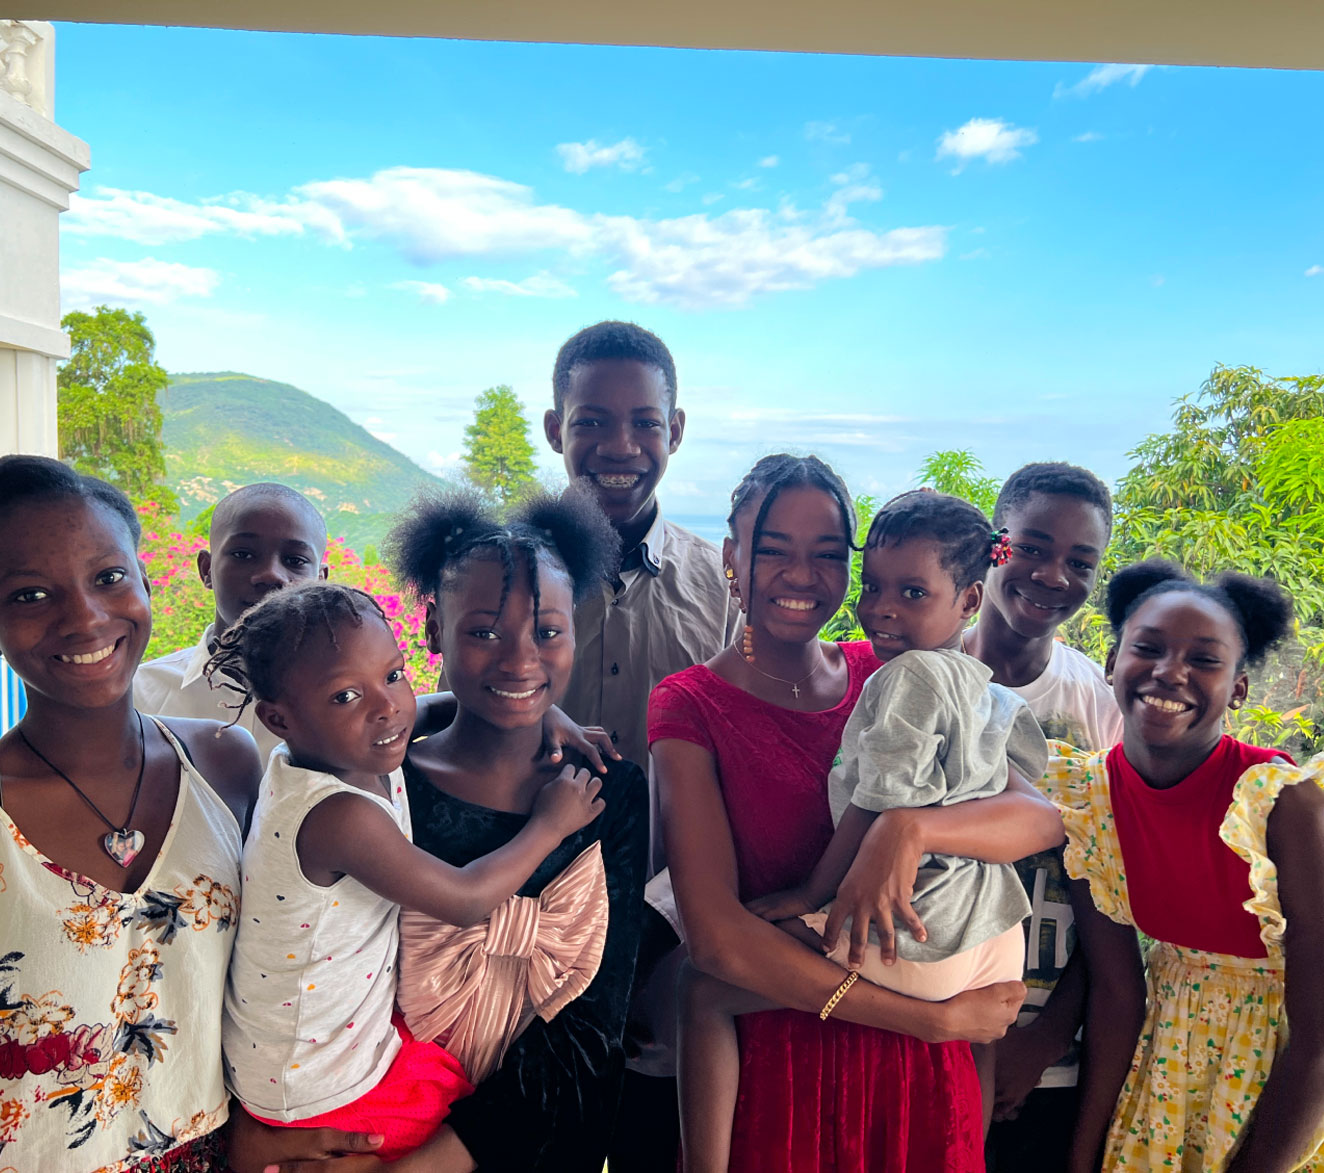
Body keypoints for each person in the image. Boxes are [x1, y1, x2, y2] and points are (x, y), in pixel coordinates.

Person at [652, 454, 1063, 1173]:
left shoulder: (893, 672)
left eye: (827, 555)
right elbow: (719, 942)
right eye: (773, 549)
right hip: (789, 1075)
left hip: (920, 1082)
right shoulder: (691, 705)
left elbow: (1036, 816)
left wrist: (913, 829)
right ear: (729, 557)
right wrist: (933, 1021)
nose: (802, 575)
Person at [210, 579, 608, 1166]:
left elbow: (432, 707)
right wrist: (550, 825)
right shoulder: (336, 815)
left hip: (309, 1040)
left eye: (394, 674)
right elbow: (466, 899)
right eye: (346, 696)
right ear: (279, 718)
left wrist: (542, 709)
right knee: (452, 1126)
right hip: (314, 1079)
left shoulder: (343, 748)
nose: (387, 706)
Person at [0, 455, 262, 1170]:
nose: (83, 615)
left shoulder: (225, 765)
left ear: (146, 581)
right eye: (29, 593)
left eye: (108, 577)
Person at [390, 487, 650, 1173]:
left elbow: (593, 1025)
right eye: (483, 632)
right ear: (432, 624)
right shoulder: (386, 787)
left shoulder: (611, 790)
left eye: (547, 630)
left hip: (545, 1140)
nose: (519, 658)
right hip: (386, 1122)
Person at [1047, 560, 1324, 1173]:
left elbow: (1318, 1039)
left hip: (1285, 1099)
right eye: (1148, 648)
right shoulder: (1090, 800)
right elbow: (1118, 994)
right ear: (1113, 662)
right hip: (1162, 1086)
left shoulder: (1280, 802)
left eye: (1204, 660)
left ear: (1240, 687)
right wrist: (1083, 1156)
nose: (1171, 672)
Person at [543, 320, 738, 1168]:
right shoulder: (507, 578)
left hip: (673, 954)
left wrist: (663, 932)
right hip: (525, 949)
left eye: (643, 423)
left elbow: (737, 780)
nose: (617, 446)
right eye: (591, 420)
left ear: (676, 429)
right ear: (556, 429)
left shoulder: (720, 592)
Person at [961, 461, 1120, 1169]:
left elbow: (1118, 901)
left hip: (1050, 1062)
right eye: (1032, 546)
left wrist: (1046, 1038)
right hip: (926, 1032)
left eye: (1080, 561)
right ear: (995, 543)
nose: (1054, 575)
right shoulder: (920, 673)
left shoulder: (1099, 706)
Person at [134, 482, 328, 763]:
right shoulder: (141, 697)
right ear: (206, 570)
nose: (271, 575)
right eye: (243, 554)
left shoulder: (349, 703)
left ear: (320, 581)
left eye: (295, 560)